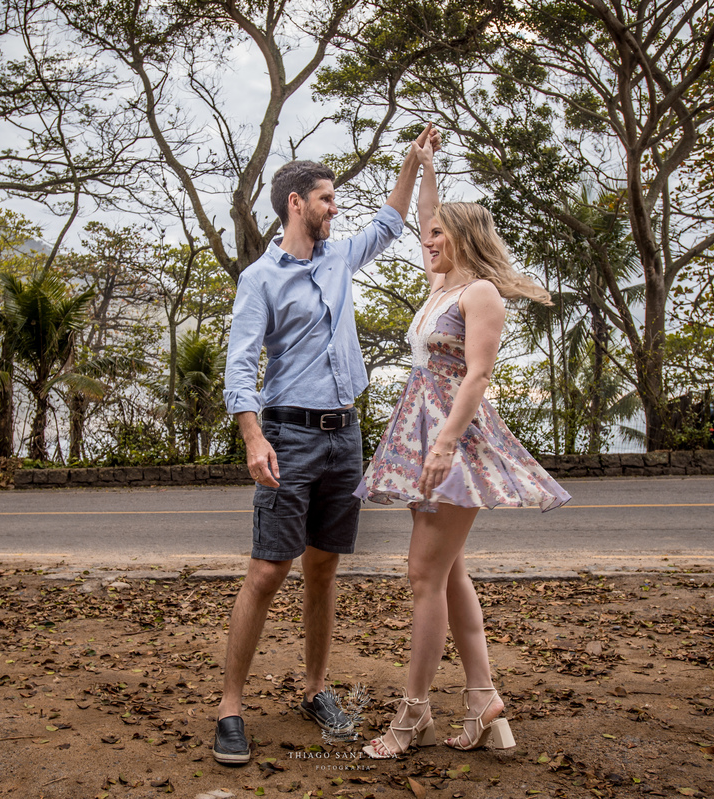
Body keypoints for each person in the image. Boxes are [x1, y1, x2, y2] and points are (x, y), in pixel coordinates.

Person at [212, 126, 442, 766]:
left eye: (335, 199)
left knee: (323, 568)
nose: (334, 207)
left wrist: (411, 162)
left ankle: (315, 690)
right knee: (267, 569)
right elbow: (240, 366)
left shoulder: (340, 258)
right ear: (296, 204)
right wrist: (253, 436)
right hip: (287, 434)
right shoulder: (260, 278)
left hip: (345, 436)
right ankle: (230, 708)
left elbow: (392, 220)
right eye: (325, 198)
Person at [355, 134, 571, 758]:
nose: (428, 241)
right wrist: (422, 166)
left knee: (423, 573)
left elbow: (477, 375)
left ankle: (412, 713)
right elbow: (428, 215)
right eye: (427, 236)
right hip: (422, 432)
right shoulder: (440, 287)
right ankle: (482, 697)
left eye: (440, 236)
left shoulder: (479, 294)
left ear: (465, 239)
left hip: (457, 439)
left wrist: (445, 446)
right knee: (448, 572)